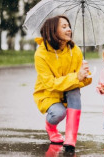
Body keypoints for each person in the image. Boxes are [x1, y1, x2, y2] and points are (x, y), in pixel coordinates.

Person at [33, 15, 92, 152]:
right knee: (58, 113)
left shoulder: (75, 50)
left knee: (75, 91)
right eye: (64, 27)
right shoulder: (41, 54)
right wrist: (76, 77)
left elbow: (82, 80)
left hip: (69, 91)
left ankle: (71, 139)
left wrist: (85, 75)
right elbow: (50, 83)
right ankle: (50, 127)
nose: (69, 29)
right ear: (53, 31)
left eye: (69, 26)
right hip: (49, 93)